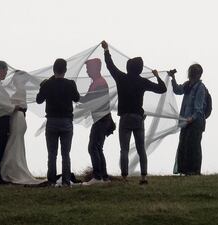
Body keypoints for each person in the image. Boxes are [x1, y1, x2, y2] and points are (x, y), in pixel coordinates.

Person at [101, 41, 167, 184]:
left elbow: (110, 65)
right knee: (141, 148)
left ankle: (124, 177)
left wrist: (106, 50)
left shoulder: (121, 78)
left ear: (128, 67)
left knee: (124, 149)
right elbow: (162, 89)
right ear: (140, 69)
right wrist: (156, 75)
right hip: (138, 118)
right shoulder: (142, 81)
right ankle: (144, 177)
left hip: (125, 118)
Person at [36, 58, 80, 187]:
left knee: (52, 154)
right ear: (65, 70)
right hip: (66, 121)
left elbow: (39, 100)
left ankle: (51, 181)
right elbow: (77, 98)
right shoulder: (70, 84)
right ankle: (66, 182)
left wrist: (43, 85)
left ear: (53, 69)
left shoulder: (47, 84)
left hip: (52, 121)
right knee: (65, 154)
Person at [0, 70, 45, 185]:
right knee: (15, 143)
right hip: (18, 117)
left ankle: (12, 168)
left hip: (18, 117)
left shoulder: (19, 89)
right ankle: (13, 168)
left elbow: (14, 104)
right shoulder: (20, 90)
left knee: (15, 142)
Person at [79, 58, 115, 186]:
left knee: (93, 147)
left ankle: (98, 177)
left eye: (88, 69)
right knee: (98, 148)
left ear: (94, 69)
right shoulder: (98, 82)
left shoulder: (98, 83)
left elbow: (88, 99)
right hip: (103, 119)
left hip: (101, 120)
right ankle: (104, 177)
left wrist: (74, 95)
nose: (87, 71)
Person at [169, 64, 207, 175]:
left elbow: (199, 108)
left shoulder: (200, 88)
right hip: (186, 121)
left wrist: (192, 118)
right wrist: (173, 78)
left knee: (193, 146)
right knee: (183, 145)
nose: (190, 74)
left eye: (193, 72)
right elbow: (177, 90)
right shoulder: (187, 85)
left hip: (195, 123)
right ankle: (184, 170)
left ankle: (194, 171)